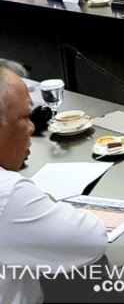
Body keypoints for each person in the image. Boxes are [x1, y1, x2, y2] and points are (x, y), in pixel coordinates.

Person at [0, 59, 107, 303]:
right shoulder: (7, 193)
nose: (31, 128)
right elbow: (90, 242)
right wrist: (45, 199)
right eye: (25, 117)